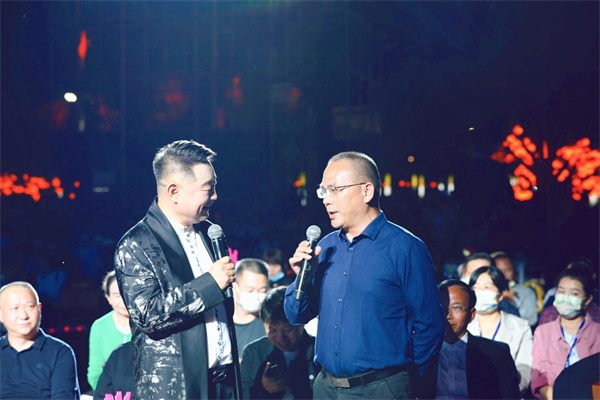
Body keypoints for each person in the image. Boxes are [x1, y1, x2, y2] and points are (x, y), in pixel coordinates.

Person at [284, 151, 445, 399]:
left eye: (335, 189)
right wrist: (301, 279)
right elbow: (296, 316)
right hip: (326, 387)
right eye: (323, 191)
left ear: (367, 191)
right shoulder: (325, 247)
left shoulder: (405, 248)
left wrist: (402, 381)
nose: (326, 200)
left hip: (381, 388)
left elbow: (430, 325)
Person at [114, 140, 239, 400]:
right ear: (174, 191)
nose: (215, 196)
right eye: (209, 189)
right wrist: (210, 284)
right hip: (176, 389)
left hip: (224, 383)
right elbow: (148, 316)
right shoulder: (137, 243)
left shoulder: (210, 233)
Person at [417, 280, 520, 399]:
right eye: (442, 307)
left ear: (471, 315)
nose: (448, 315)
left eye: (456, 307)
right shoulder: (421, 353)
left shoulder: (496, 354)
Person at [0, 281, 81, 399]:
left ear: (39, 309)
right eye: (14, 308)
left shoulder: (60, 352)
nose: (23, 315)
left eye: (30, 306)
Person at [531, 265, 600, 400]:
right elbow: (539, 378)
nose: (565, 298)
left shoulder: (597, 333)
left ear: (587, 299)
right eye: (561, 291)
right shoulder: (543, 332)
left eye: (574, 294)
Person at [241, 286, 319, 399]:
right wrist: (262, 387)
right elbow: (242, 394)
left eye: (287, 329)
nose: (281, 338)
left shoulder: (319, 352)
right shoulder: (253, 353)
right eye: (273, 330)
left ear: (302, 323)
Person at [467, 265, 533, 394]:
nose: (480, 292)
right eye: (475, 287)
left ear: (500, 295)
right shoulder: (463, 324)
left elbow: (524, 368)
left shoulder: (520, 327)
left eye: (487, 287)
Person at [88, 270, 132, 391]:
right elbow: (95, 372)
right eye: (117, 295)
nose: (123, 300)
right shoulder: (99, 326)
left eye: (126, 293)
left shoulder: (148, 325)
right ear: (108, 298)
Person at [460, 252, 521, 317]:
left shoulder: (507, 311)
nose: (478, 277)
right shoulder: (455, 302)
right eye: (472, 273)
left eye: (483, 272)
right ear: (464, 274)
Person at [233, 258, 269, 360]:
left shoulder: (269, 326)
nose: (256, 295)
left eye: (262, 291)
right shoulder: (222, 324)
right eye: (250, 290)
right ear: (235, 288)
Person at [491, 251, 539, 326]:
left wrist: (514, 300)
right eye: (499, 271)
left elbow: (531, 321)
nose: (503, 274)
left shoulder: (526, 292)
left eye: (508, 270)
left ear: (514, 271)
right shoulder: (487, 292)